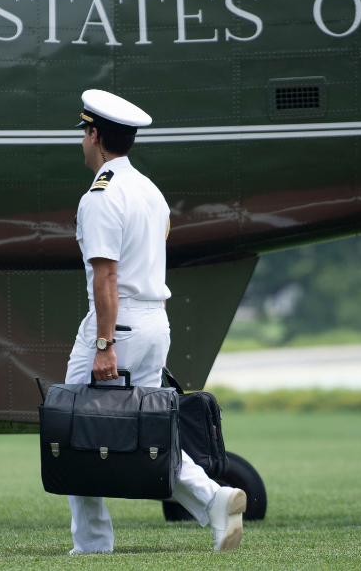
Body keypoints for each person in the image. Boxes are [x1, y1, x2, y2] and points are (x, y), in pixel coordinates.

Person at [65, 90, 245, 553]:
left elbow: (106, 276)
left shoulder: (101, 196)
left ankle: (92, 543)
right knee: (154, 433)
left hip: (117, 329)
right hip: (152, 324)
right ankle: (214, 500)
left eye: (84, 132)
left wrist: (104, 344)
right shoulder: (151, 191)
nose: (82, 141)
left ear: (95, 135)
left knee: (75, 428)